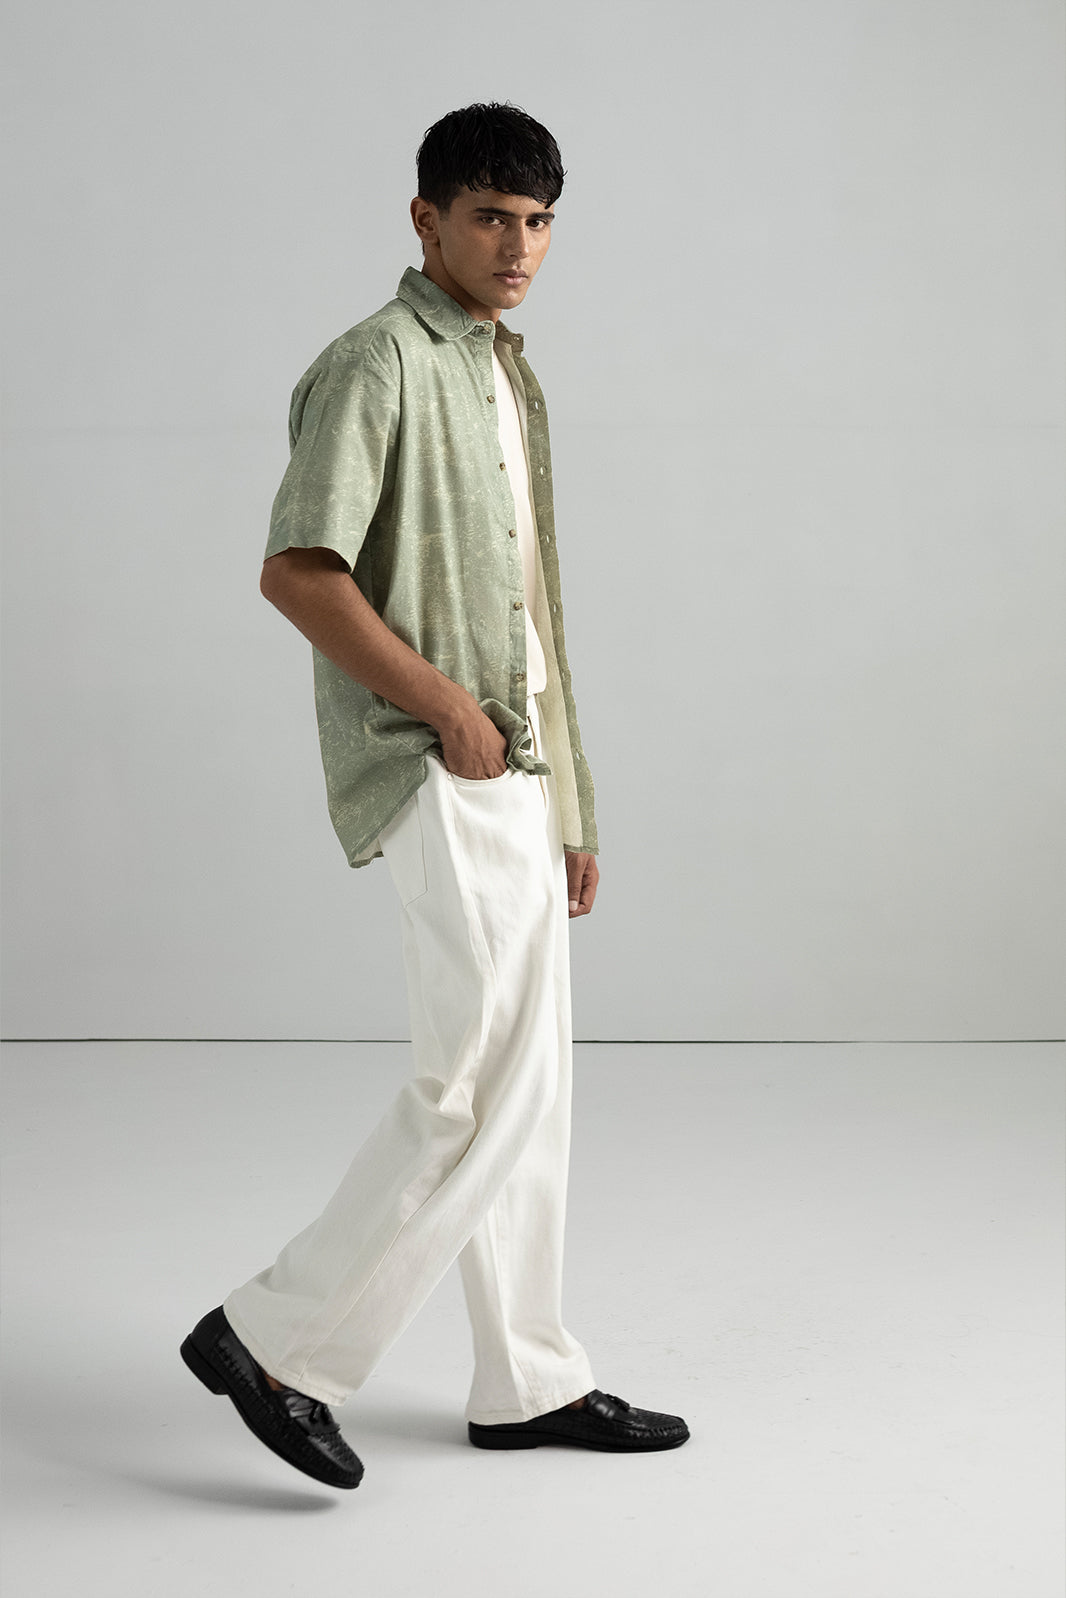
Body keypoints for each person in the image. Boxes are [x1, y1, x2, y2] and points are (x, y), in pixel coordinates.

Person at [180, 102, 689, 1490]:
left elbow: (530, 610)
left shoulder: (505, 372)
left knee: (533, 1081)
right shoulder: (376, 363)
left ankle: (527, 1377)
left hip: (517, 772)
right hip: (435, 759)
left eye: (539, 223)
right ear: (426, 219)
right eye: (489, 218)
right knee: (472, 1082)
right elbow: (299, 572)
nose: (518, 247)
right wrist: (447, 709)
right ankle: (273, 1339)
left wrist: (571, 803)